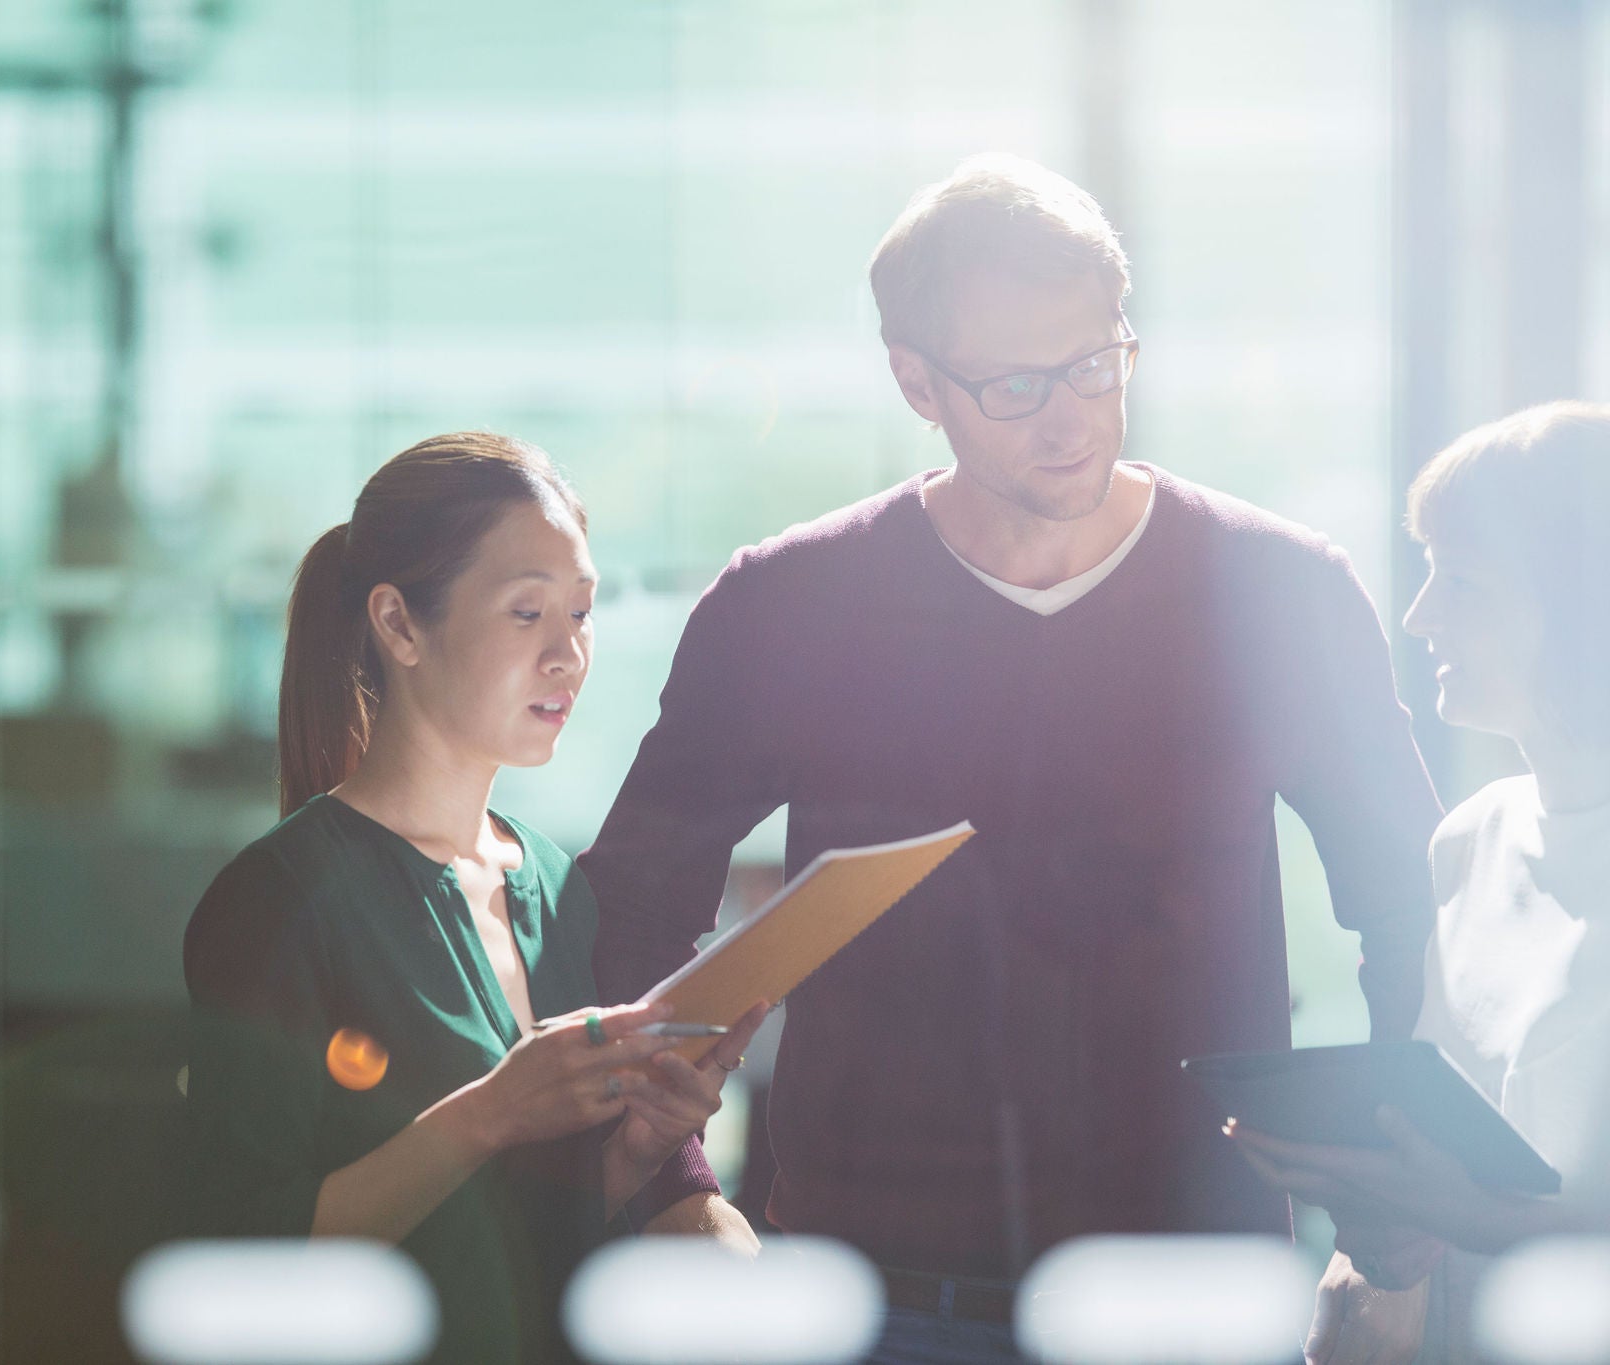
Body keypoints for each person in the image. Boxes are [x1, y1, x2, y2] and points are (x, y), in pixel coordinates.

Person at [577, 155, 1442, 1362]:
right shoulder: (790, 603)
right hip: (865, 1301)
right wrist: (669, 1186)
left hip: (1192, 1299)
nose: (1071, 413)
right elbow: (623, 910)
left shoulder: (1277, 592)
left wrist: (1388, 1231)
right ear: (914, 383)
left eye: (1095, 362)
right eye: (1016, 385)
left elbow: (1416, 913)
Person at [182, 433, 767, 1365]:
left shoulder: (558, 887)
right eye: (527, 611)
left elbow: (536, 1222)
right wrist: (488, 1111)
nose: (569, 653)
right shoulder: (279, 899)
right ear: (400, 625)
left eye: (581, 611)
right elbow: (245, 1251)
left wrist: (637, 1153)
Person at [1230, 401, 1610, 1365]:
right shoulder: (1471, 837)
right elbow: (1446, 1149)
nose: (1419, 612)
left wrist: (1464, 1217)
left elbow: (1484, 1204)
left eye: (1464, 581)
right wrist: (1380, 1231)